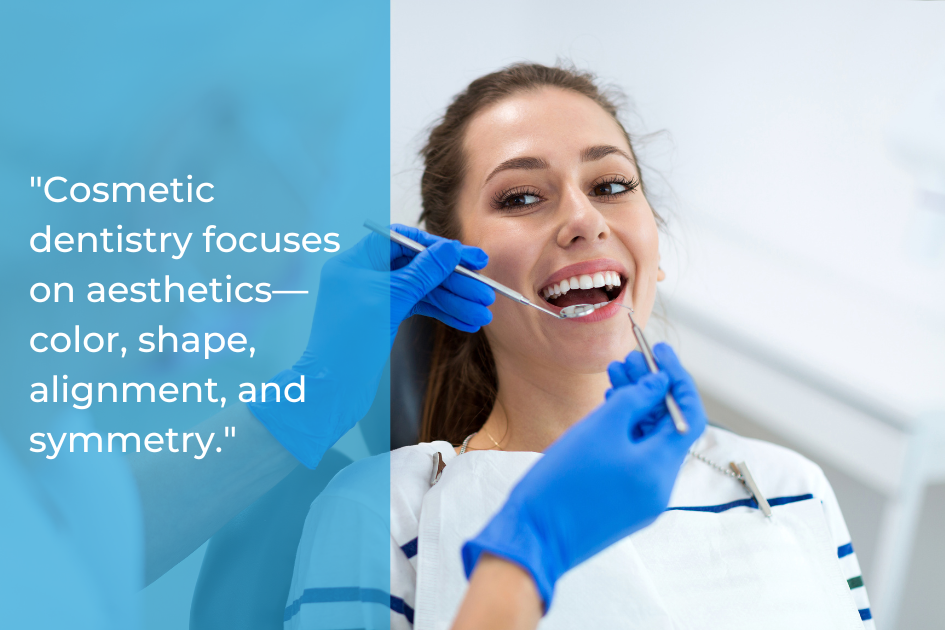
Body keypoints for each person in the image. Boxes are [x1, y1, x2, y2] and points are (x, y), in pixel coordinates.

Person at [283, 63, 875, 630]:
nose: (585, 219)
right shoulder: (378, 514)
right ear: (453, 269)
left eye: (611, 185)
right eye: (521, 197)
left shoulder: (790, 486)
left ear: (655, 248)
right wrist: (531, 546)